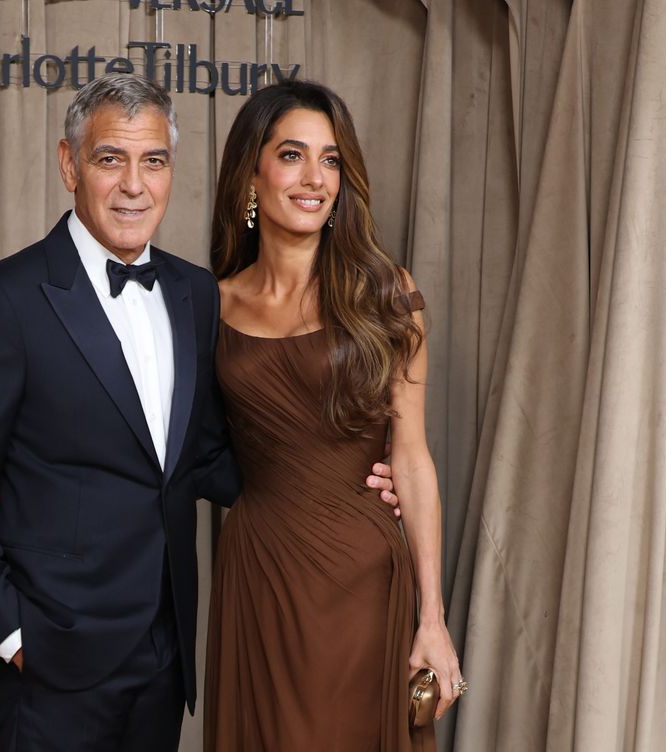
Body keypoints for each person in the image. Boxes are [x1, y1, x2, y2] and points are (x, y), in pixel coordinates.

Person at [0, 74, 398, 752]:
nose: (134, 185)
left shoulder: (194, 293)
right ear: (69, 165)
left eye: (155, 162)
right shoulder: (2, 301)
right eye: (111, 159)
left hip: (166, 658)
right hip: (55, 661)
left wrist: (342, 482)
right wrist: (12, 636)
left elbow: (202, 455)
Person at [203, 80, 463, 751]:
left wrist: (432, 618)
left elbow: (411, 453)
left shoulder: (388, 293)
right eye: (292, 155)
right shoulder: (208, 306)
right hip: (259, 571)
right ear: (252, 173)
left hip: (363, 581)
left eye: (331, 160)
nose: (314, 178)